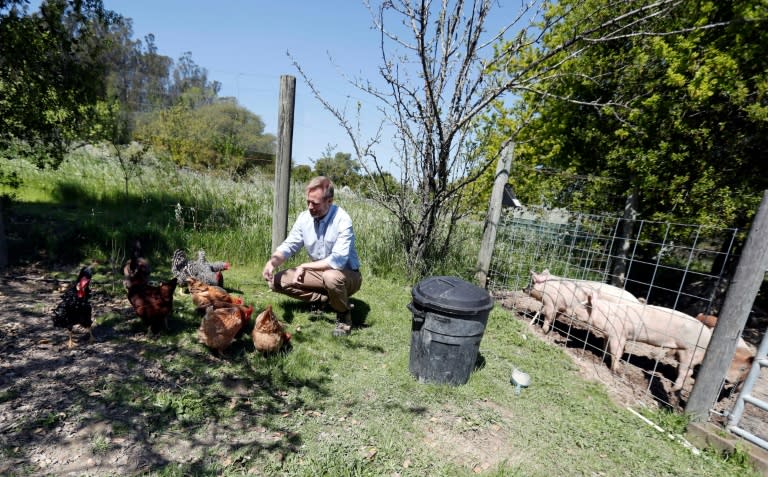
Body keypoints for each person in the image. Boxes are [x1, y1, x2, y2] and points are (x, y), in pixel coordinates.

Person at [262, 176, 363, 336]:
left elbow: (337, 261)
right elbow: (289, 245)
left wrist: (304, 266)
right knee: (276, 282)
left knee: (331, 277)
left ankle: (344, 316)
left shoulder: (342, 220)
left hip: (347, 276)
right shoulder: (304, 218)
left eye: (315, 203)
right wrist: (272, 263)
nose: (310, 207)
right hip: (319, 273)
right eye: (308, 201)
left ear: (329, 201)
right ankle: (322, 300)